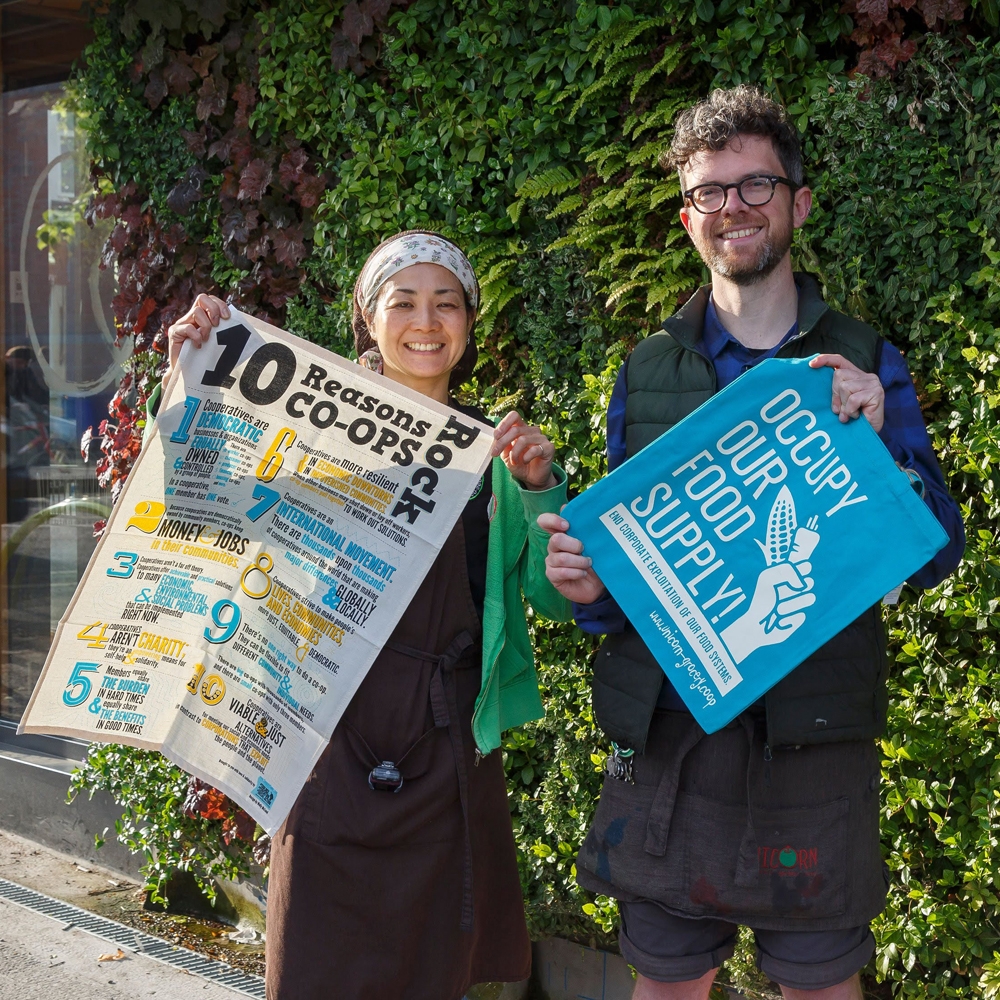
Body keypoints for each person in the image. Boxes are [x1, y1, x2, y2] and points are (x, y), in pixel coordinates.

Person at [539, 87, 964, 1000]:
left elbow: (933, 552)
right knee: (667, 984)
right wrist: (585, 586)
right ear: (688, 216)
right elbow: (624, 592)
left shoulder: (861, 358)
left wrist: (885, 440)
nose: (732, 207)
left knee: (820, 987)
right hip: (673, 732)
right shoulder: (645, 371)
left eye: (755, 185)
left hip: (813, 740)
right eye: (710, 193)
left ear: (799, 203)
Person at [161, 231, 571, 1000]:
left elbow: (556, 596)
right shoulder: (310, 433)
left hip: (450, 749)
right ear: (367, 317)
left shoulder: (497, 455)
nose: (426, 320)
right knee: (320, 967)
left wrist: (543, 485)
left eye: (447, 303)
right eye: (404, 301)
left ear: (471, 324)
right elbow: (204, 513)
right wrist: (189, 382)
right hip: (328, 741)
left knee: (432, 975)